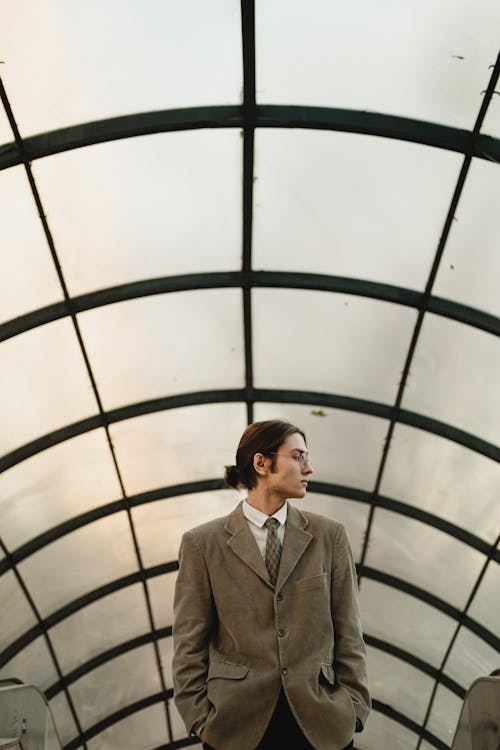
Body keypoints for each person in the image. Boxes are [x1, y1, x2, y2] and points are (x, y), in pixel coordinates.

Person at [172, 419, 371, 750]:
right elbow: (188, 641)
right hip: (235, 728)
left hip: (320, 725)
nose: (309, 468)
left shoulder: (329, 536)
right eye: (297, 457)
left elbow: (348, 630)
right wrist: (200, 720)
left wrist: (354, 710)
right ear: (261, 463)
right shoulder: (202, 544)